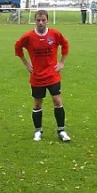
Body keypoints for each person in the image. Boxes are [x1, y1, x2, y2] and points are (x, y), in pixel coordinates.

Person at [14, 10, 71, 142]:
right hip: (37, 76)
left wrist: (62, 62)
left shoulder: (55, 34)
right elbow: (17, 48)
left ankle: (61, 130)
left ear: (47, 21)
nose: (40, 23)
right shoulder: (28, 36)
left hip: (52, 75)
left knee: (57, 101)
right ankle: (38, 131)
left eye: (43, 20)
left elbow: (65, 45)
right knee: (38, 104)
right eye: (38, 20)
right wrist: (26, 64)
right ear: (35, 21)